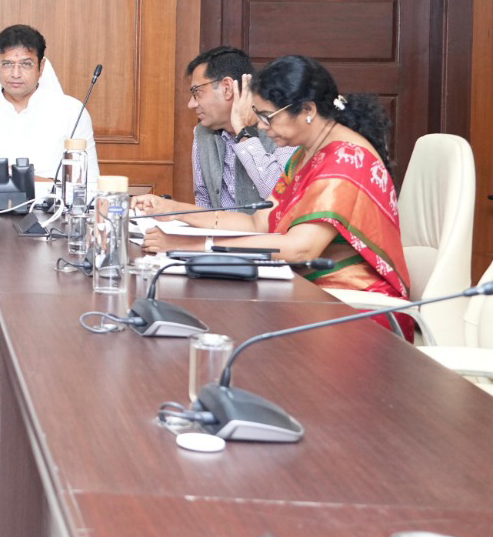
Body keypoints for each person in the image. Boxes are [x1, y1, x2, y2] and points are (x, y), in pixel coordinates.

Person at [141, 55, 411, 333]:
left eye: (267, 117)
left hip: (352, 306)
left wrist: (187, 248)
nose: (260, 127)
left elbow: (300, 248)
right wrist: (172, 212)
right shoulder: (307, 153)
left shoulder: (347, 158)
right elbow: (258, 222)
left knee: (230, 323)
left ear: (307, 109)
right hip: (310, 291)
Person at [131, 46, 293, 218]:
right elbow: (204, 201)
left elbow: (278, 194)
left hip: (266, 241)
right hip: (216, 240)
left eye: (196, 92)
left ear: (227, 88)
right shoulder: (202, 133)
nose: (191, 104)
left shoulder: (281, 130)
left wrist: (243, 133)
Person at [0, 24, 100, 189]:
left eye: (26, 64)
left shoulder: (71, 112)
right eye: (7, 64)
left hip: (52, 208)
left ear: (41, 67)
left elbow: (89, 183)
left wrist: (26, 179)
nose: (15, 74)